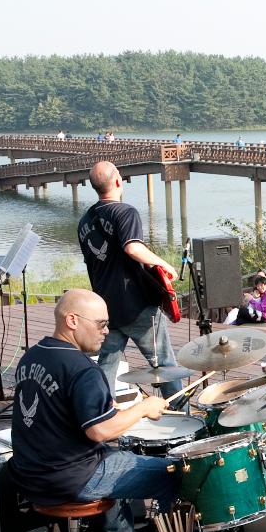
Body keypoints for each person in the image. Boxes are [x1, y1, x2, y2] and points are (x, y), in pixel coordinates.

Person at [7, 290, 192, 532]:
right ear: (72, 320)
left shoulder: (33, 356)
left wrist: (117, 410)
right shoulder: (82, 369)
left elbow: (55, 408)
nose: (106, 331)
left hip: (29, 473)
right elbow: (99, 431)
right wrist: (143, 408)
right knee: (176, 475)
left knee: (121, 456)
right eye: (101, 324)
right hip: (70, 477)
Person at [77, 161, 184, 399]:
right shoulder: (125, 212)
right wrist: (164, 264)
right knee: (164, 364)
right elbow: (132, 248)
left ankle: (100, 414)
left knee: (106, 367)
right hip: (137, 306)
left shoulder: (84, 221)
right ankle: (181, 415)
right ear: (117, 181)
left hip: (105, 308)